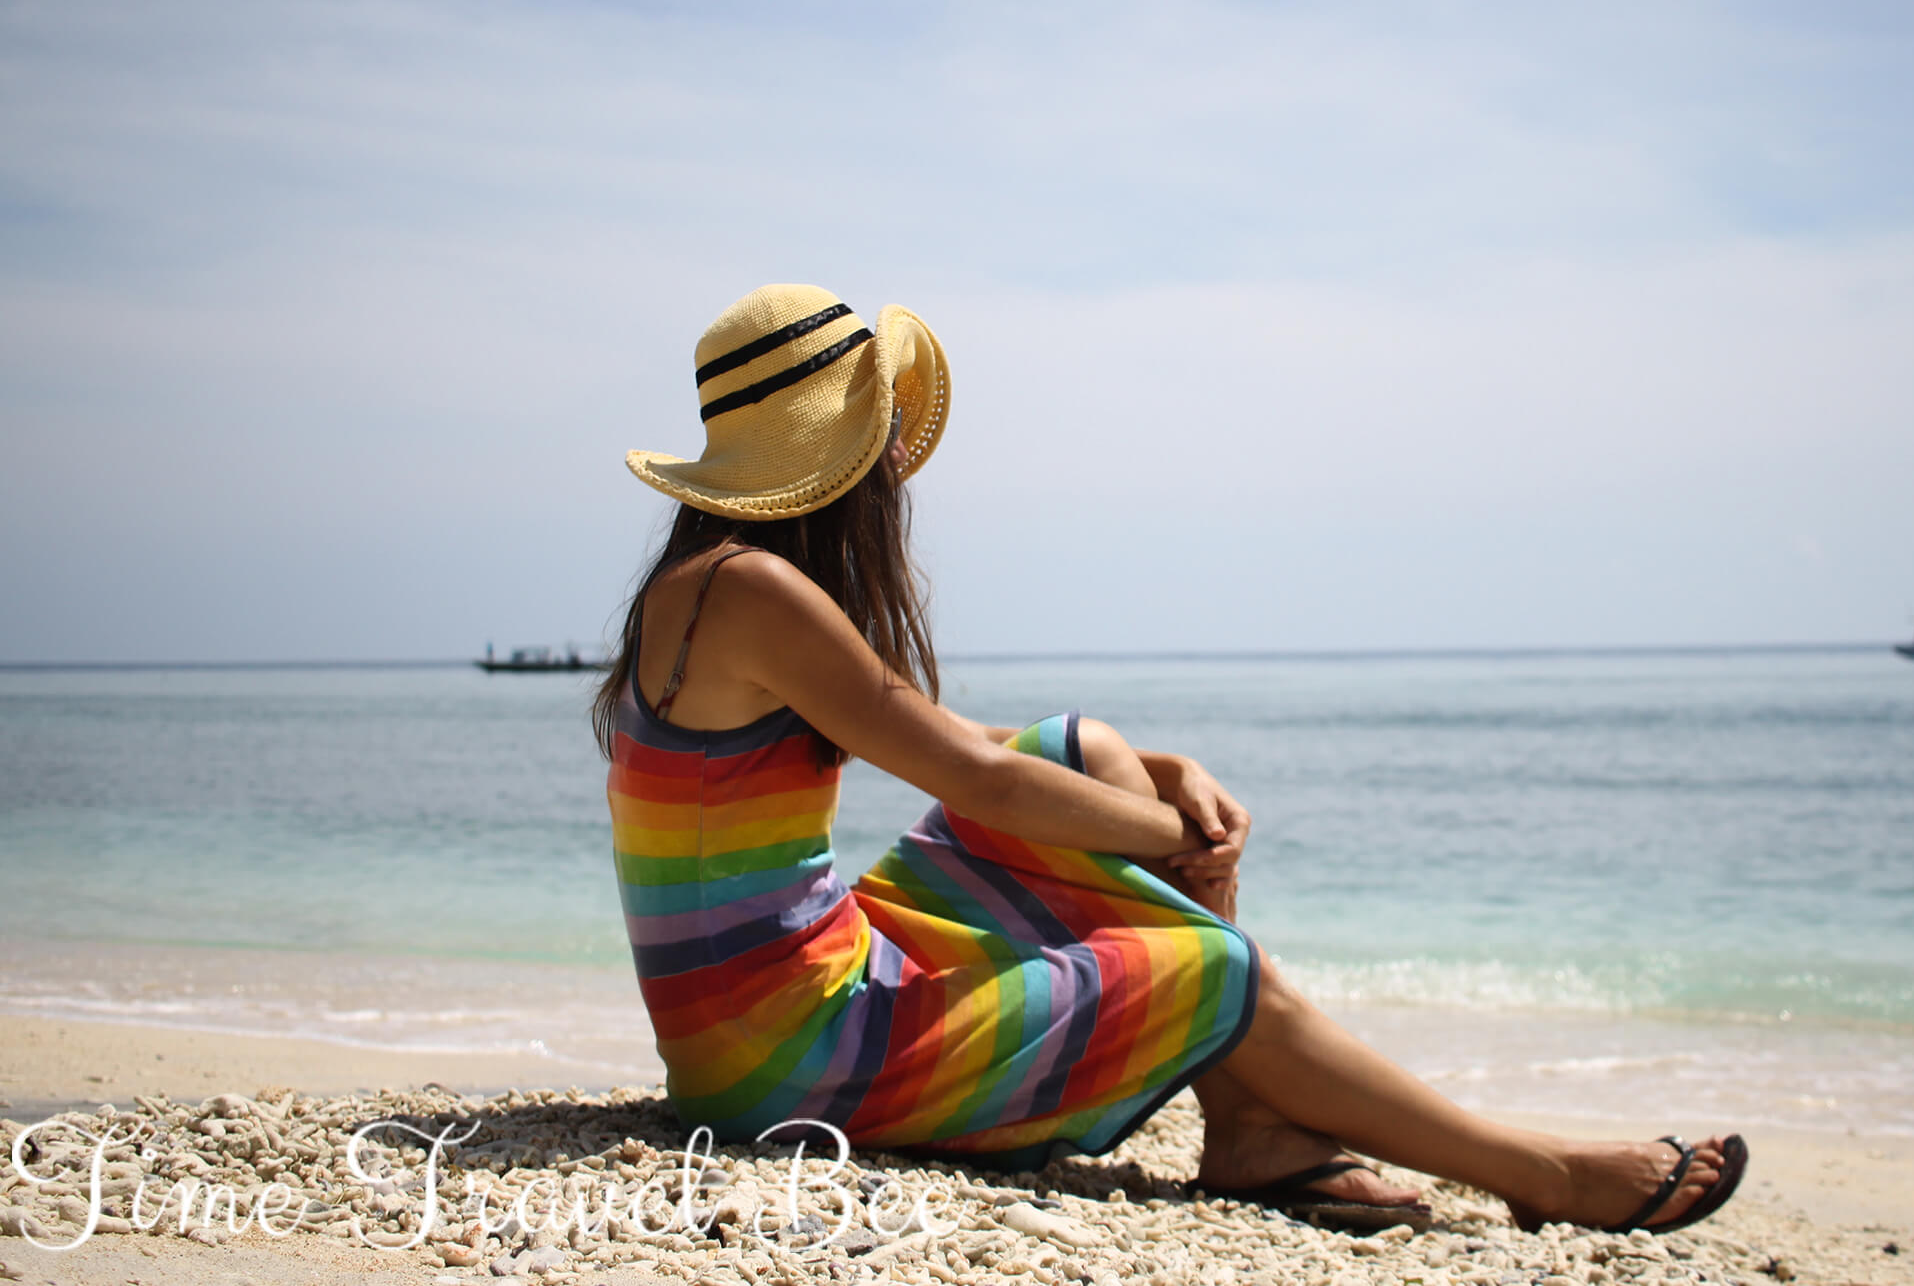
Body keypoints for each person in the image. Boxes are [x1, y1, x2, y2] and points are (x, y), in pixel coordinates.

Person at [595, 284, 1746, 1235]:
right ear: (838, 457)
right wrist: (1179, 838)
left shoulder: (714, 584)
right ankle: (1539, 1173)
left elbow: (968, 749)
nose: (903, 453)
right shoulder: (753, 589)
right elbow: (974, 781)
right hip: (784, 1063)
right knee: (1209, 970)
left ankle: (1253, 1127)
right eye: (881, 429)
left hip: (774, 1008)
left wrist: (1152, 764)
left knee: (1082, 749)